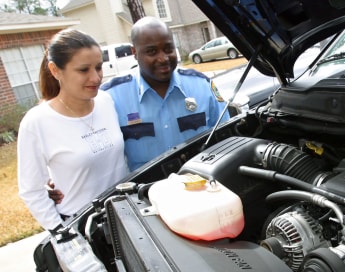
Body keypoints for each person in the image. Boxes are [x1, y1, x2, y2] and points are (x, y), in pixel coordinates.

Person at [17, 29, 129, 232]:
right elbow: (32, 191)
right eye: (83, 70)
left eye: (98, 67)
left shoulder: (105, 101)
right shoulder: (36, 122)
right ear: (55, 70)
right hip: (83, 227)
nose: (96, 77)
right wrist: (62, 233)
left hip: (128, 213)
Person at [100, 16, 230, 171]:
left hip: (201, 185)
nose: (163, 58)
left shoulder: (202, 86)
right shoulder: (112, 97)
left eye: (168, 49)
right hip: (144, 192)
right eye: (152, 51)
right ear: (134, 52)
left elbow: (226, 140)